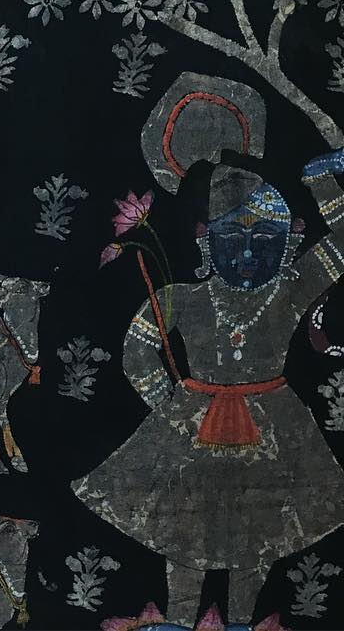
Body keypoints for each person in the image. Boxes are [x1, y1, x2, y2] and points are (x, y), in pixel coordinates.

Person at [76, 148, 344, 627]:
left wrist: (322, 182)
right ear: (205, 241)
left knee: (259, 535)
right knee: (183, 534)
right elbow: (137, 347)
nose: (247, 255)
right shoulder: (182, 297)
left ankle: (240, 621)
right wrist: (166, 401)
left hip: (273, 429)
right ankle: (180, 621)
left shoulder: (289, 290)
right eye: (231, 240)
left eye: (264, 240)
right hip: (193, 427)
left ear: (290, 243)